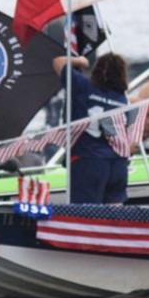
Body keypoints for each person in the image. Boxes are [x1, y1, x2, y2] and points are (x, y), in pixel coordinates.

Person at [52, 53, 130, 205]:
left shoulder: (83, 86)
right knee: (114, 218)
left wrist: (80, 61)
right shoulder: (123, 99)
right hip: (118, 164)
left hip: (89, 161)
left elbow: (58, 61)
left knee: (85, 216)